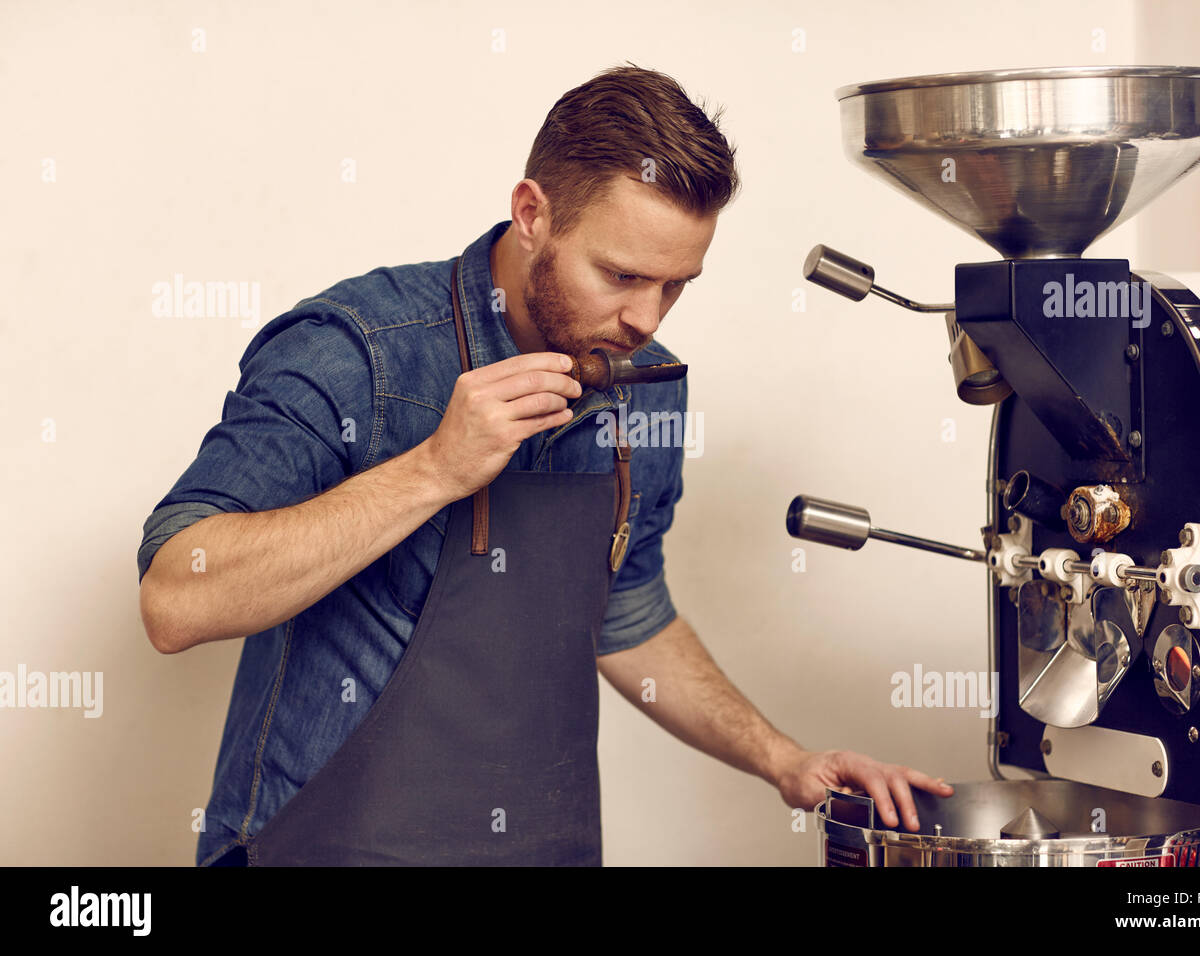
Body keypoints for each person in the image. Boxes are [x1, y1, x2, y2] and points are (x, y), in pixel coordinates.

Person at [136, 62, 953, 867]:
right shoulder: (357, 351)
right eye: (620, 275)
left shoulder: (647, 389)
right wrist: (434, 469)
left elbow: (625, 613)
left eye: (675, 286)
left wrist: (785, 761)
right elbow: (176, 598)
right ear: (532, 213)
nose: (643, 318)